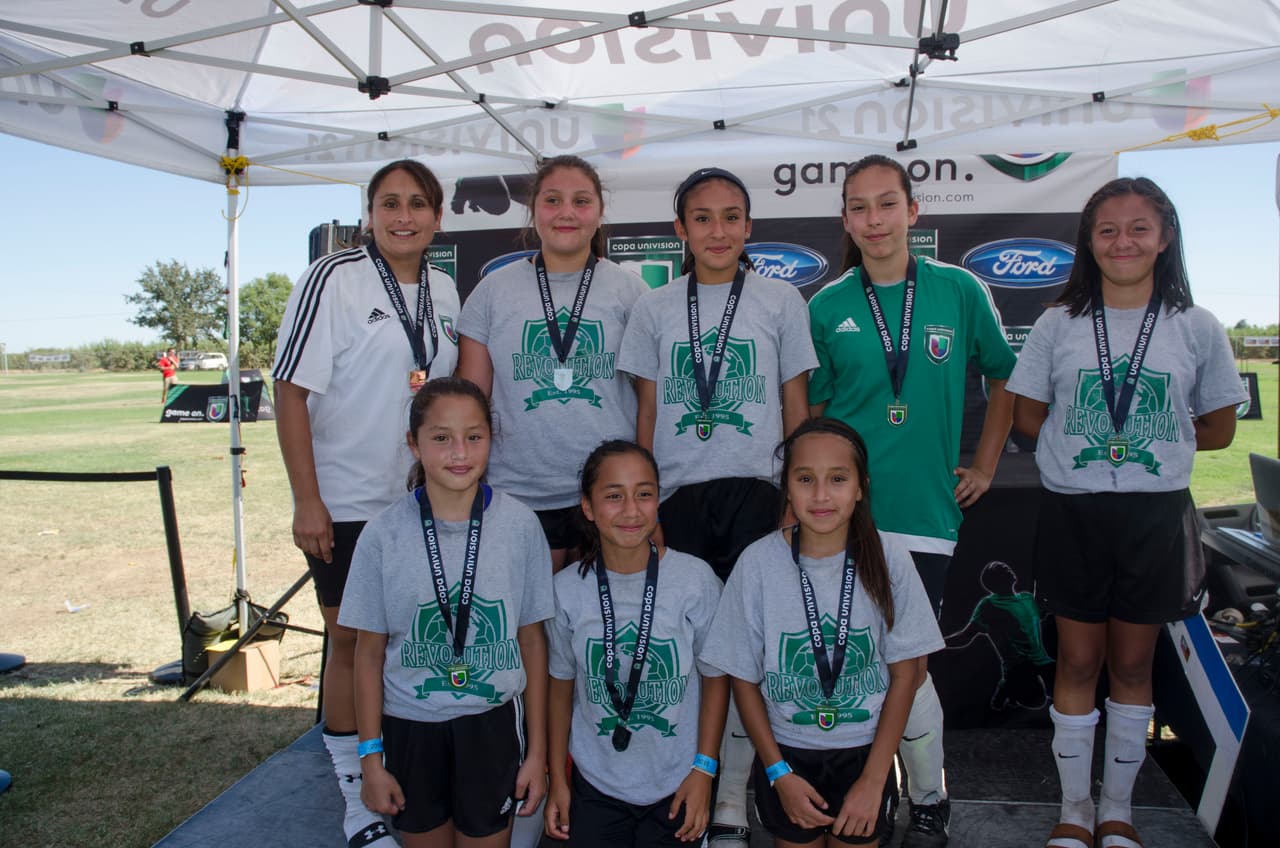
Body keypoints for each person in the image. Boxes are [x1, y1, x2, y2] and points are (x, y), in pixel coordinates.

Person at [1006, 177, 1244, 848]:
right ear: (1088, 241)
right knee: (1077, 662)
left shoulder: (1196, 326)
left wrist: (1149, 442)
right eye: (1107, 230)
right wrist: (1084, 449)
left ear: (1165, 238)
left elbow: (1220, 427)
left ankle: (1119, 810)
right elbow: (1028, 417)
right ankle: (1074, 810)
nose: (1123, 242)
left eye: (1139, 228)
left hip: (1155, 517)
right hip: (1076, 514)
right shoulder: (1058, 324)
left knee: (1134, 666)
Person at [806, 154, 1017, 846]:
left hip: (926, 513)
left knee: (910, 664)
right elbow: (812, 417)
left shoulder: (959, 290)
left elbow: (1005, 377)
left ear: (913, 211)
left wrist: (984, 465)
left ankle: (929, 793)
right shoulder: (828, 305)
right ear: (845, 220)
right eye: (859, 207)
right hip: (842, 517)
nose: (874, 220)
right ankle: (879, 783)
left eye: (886, 204)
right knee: (854, 658)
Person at [618, 166, 817, 844]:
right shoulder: (654, 308)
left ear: (749, 226)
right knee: (699, 651)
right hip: (681, 498)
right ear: (680, 229)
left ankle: (733, 796)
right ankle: (698, 782)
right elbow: (646, 415)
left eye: (731, 217)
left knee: (750, 651)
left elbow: (795, 406)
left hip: (758, 494)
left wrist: (793, 496)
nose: (718, 230)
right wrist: (646, 505)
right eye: (702, 218)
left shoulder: (780, 300)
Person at [271, 159, 462, 848]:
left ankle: (397, 770)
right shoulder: (333, 277)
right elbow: (289, 391)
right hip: (347, 499)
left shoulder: (445, 289)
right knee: (351, 641)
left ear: (437, 217)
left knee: (408, 639)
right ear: (370, 213)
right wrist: (307, 500)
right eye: (389, 203)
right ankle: (355, 794)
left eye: (417, 204)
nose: (403, 217)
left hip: (421, 501)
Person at [700, 417, 944, 847]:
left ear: (861, 487)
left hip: (866, 754)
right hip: (787, 756)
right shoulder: (757, 563)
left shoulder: (890, 557)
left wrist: (874, 779)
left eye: (838, 479)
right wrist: (778, 773)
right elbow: (743, 680)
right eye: (805, 479)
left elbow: (907, 675)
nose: (821, 495)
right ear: (786, 488)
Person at [340, 377, 554, 848]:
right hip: (409, 726)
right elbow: (368, 655)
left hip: (492, 724)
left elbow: (533, 642)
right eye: (441, 438)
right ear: (414, 444)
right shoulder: (382, 535)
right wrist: (370, 759)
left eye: (474, 437)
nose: (459, 452)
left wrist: (537, 752)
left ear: (491, 440)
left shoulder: (520, 526)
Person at [457, 155, 648, 571]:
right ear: (533, 210)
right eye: (553, 200)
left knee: (598, 611)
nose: (566, 212)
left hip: (607, 494)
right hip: (517, 492)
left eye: (581, 201)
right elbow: (470, 404)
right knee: (528, 611)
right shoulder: (492, 292)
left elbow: (651, 403)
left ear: (600, 212)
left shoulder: (631, 292)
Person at [544, 439, 729, 846]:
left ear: (658, 500)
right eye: (614, 496)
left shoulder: (695, 580)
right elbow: (560, 688)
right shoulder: (565, 591)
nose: (631, 510)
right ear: (588, 507)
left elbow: (716, 680)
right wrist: (558, 778)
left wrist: (704, 770)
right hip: (595, 783)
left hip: (679, 781)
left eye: (644, 494)